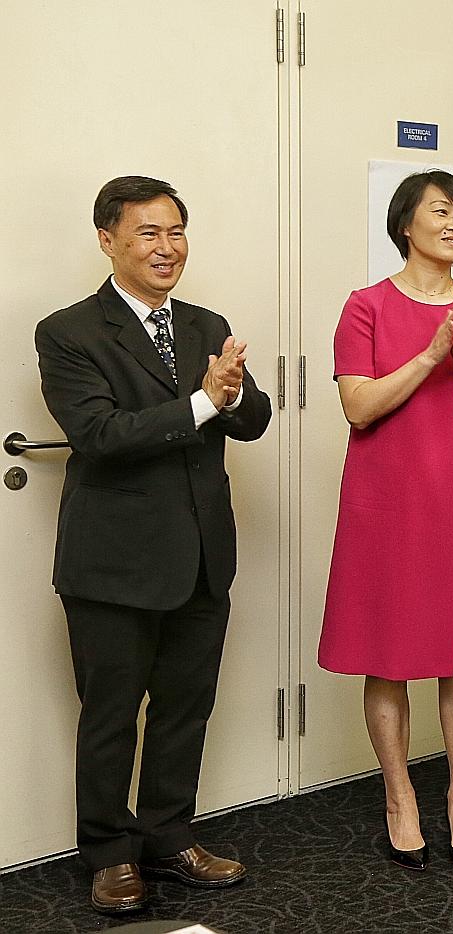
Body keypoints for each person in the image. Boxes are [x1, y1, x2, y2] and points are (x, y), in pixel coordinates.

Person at [34, 176, 272, 914]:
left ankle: (168, 837)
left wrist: (231, 394)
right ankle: (108, 853)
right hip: (113, 564)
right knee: (111, 713)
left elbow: (253, 418)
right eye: (148, 234)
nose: (166, 248)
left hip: (202, 556)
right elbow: (101, 438)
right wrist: (203, 400)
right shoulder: (68, 332)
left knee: (183, 708)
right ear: (107, 240)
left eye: (175, 232)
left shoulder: (205, 323)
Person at [318, 170, 453, 872]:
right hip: (387, 500)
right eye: (442, 211)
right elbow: (359, 406)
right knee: (389, 652)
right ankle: (399, 797)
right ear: (405, 223)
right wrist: (432, 353)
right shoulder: (365, 307)